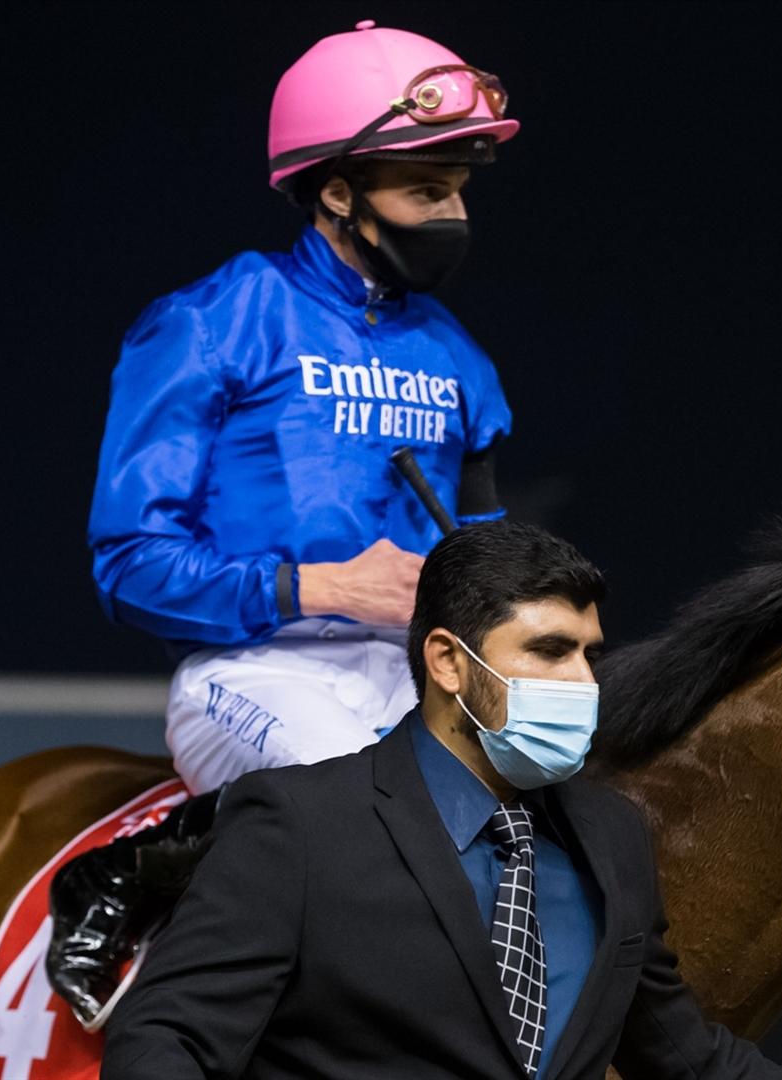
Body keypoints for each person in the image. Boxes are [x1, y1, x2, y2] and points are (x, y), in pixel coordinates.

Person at [102, 521, 782, 1080]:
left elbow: (694, 1065)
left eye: (589, 652)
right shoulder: (302, 823)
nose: (583, 680)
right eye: (547, 652)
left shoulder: (610, 838)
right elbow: (168, 1041)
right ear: (445, 664)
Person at [49, 20, 521, 1026]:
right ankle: (130, 875)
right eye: (427, 190)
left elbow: (494, 556)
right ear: (338, 190)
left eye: (461, 187)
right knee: (370, 812)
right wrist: (325, 587)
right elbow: (129, 564)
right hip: (257, 672)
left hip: (418, 675)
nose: (455, 213)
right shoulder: (211, 321)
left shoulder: (459, 359)